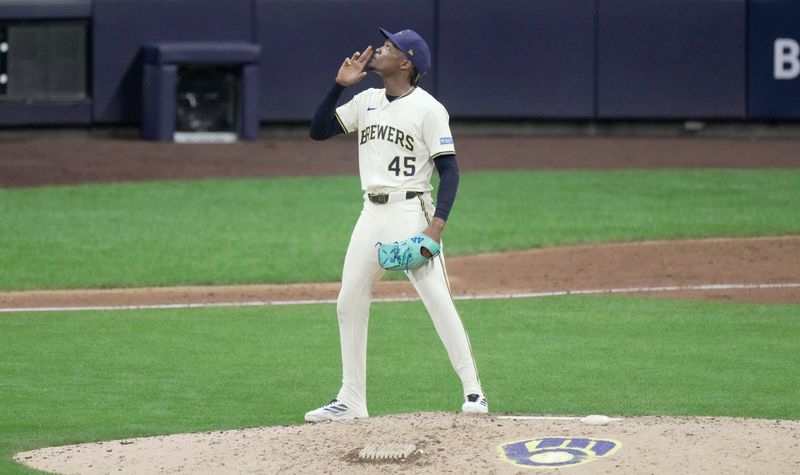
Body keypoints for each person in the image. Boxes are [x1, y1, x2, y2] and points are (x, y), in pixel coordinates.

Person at [305, 27, 487, 422]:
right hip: (371, 214)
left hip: (411, 213)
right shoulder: (366, 100)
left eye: (389, 47)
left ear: (406, 63)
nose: (380, 49)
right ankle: (351, 399)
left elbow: (449, 172)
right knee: (348, 302)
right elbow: (318, 131)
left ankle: (474, 391)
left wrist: (435, 227)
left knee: (436, 298)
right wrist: (338, 86)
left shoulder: (428, 108)